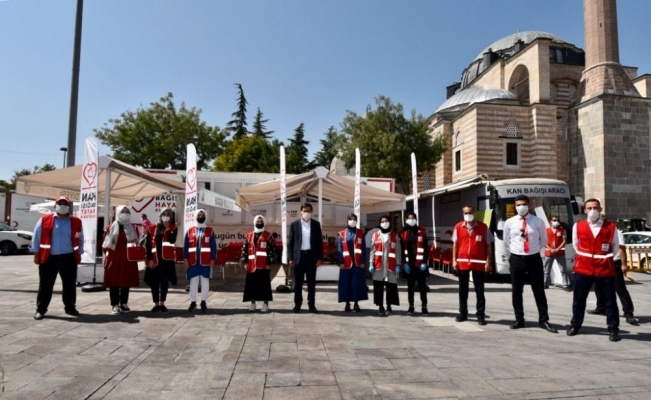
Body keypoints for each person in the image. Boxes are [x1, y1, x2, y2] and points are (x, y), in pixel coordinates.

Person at [567, 200, 621, 341]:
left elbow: (615, 246)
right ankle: (575, 325)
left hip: (604, 268)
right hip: (583, 268)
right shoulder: (578, 226)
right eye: (589, 208)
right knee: (578, 300)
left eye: (595, 207)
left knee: (610, 301)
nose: (593, 210)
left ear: (600, 209)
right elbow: (576, 245)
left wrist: (604, 258)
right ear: (585, 210)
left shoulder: (611, 227)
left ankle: (613, 328)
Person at [503, 195, 558, 333]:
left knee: (539, 290)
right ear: (515, 206)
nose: (521, 207)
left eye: (523, 204)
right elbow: (506, 241)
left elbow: (543, 240)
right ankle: (519, 319)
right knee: (517, 291)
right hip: (517, 258)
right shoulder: (509, 222)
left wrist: (532, 250)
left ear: (529, 205)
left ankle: (543, 320)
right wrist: (517, 251)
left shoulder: (538, 221)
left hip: (533, 258)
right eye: (518, 205)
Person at [30, 196, 84, 320]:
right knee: (45, 285)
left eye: (65, 203)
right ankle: (41, 309)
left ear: (69, 206)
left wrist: (80, 253)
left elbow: (80, 238)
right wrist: (36, 253)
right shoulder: (44, 220)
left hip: (69, 257)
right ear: (55, 206)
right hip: (49, 258)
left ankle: (70, 307)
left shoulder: (76, 221)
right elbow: (36, 237)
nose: (63, 205)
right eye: (60, 203)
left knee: (69, 284)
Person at [587, 213, 639, 326]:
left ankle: (629, 313)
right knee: (598, 287)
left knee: (620, 288)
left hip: (613, 263)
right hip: (599, 262)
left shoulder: (615, 231)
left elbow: (621, 249)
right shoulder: (596, 232)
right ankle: (601, 308)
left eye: (600, 220)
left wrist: (624, 264)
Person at [451, 205, 493, 325]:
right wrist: (454, 260)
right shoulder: (458, 227)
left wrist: (488, 261)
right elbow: (455, 245)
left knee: (479, 291)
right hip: (463, 262)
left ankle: (480, 314)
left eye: (470, 212)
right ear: (463, 214)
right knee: (462, 290)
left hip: (479, 263)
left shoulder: (483, 227)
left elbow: (488, 245)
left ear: (474, 213)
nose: (468, 215)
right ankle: (463, 313)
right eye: (465, 213)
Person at [102, 206, 140, 314]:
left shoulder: (133, 227)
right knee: (114, 281)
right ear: (118, 213)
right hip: (114, 258)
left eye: (127, 212)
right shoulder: (110, 227)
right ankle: (115, 304)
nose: (125, 213)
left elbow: (137, 241)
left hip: (128, 258)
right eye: (123, 211)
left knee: (126, 281)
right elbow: (105, 244)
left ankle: (124, 303)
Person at [288, 203, 323, 313]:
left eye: (308, 211)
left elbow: (319, 243)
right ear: (300, 212)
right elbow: (290, 243)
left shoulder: (316, 225)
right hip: (299, 257)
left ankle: (311, 305)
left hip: (311, 257)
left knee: (311, 283)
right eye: (304, 211)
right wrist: (290, 258)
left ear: (311, 212)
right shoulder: (294, 225)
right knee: (298, 283)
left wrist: (319, 258)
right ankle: (297, 305)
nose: (306, 213)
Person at [144, 208, 178, 313]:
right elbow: (148, 245)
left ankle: (162, 303)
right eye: (164, 214)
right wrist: (149, 259)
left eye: (168, 214)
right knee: (154, 282)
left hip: (167, 261)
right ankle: (156, 304)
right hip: (155, 259)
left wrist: (168, 229)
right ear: (160, 215)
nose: (166, 216)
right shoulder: (152, 228)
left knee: (164, 282)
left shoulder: (173, 227)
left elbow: (172, 240)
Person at [183, 209, 217, 312]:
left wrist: (213, 258)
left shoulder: (210, 231)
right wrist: (185, 258)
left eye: (202, 215)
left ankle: (203, 302)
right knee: (193, 282)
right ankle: (193, 302)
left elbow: (213, 246)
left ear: (205, 217)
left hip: (205, 261)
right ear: (195, 216)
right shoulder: (190, 230)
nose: (201, 217)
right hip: (192, 261)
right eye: (199, 215)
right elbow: (186, 246)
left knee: (205, 282)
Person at [240, 215, 276, 312]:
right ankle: (253, 304)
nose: (259, 223)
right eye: (257, 221)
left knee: (264, 286)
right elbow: (244, 250)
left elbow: (272, 251)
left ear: (264, 223)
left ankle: (265, 304)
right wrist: (245, 262)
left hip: (263, 265)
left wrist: (269, 263)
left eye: (261, 222)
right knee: (252, 285)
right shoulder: (248, 236)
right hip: (251, 265)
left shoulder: (268, 236)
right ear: (254, 222)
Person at [399, 212, 430, 315]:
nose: (411, 219)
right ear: (406, 219)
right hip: (409, 265)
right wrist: (404, 263)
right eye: (409, 218)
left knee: (422, 287)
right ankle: (411, 307)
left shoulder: (422, 231)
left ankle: (424, 307)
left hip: (420, 265)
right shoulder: (402, 232)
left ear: (416, 219)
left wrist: (424, 262)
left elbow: (426, 248)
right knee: (410, 287)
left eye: (413, 218)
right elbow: (401, 250)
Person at [369, 215, 400, 316]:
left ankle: (389, 305)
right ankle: (380, 306)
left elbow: (397, 250)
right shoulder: (375, 235)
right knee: (378, 286)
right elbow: (372, 250)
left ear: (389, 222)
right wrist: (371, 263)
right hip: (379, 264)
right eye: (382, 221)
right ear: (379, 223)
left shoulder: (394, 235)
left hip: (391, 265)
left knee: (391, 286)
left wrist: (398, 264)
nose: (384, 223)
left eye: (386, 221)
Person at [337, 213, 368, 312]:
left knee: (357, 283)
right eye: (351, 219)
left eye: (354, 219)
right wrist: (341, 262)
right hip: (346, 264)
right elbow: (340, 249)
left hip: (358, 264)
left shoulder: (361, 233)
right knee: (346, 283)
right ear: (347, 221)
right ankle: (347, 303)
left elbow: (363, 248)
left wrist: (363, 261)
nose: (353, 221)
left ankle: (356, 303)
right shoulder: (342, 234)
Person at [543, 215, 571, 291]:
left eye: (558, 220)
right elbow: (544, 241)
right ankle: (545, 283)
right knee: (547, 269)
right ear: (550, 221)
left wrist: (558, 249)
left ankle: (565, 284)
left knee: (563, 270)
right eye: (554, 220)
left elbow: (564, 241)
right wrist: (550, 249)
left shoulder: (562, 230)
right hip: (549, 253)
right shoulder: (546, 230)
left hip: (560, 253)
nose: (556, 222)